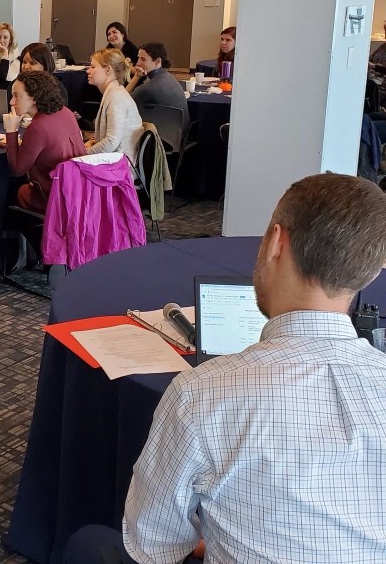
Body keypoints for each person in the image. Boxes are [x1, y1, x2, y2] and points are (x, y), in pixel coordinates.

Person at [65, 173, 386, 564]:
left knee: (89, 543)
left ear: (275, 243)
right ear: (371, 271)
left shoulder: (201, 393)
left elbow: (154, 545)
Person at [3, 72, 86, 214]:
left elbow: (17, 169)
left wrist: (11, 130)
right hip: (79, 192)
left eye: (16, 95)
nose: (11, 102)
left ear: (34, 98)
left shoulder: (37, 127)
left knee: (10, 189)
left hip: (52, 198)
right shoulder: (66, 112)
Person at [85, 49, 143, 163]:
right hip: (116, 160)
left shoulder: (116, 97)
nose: (88, 71)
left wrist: (84, 153)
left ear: (108, 70)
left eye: (93, 67)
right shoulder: (114, 92)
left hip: (119, 168)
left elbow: (111, 141)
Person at [126, 42, 188, 120]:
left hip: (166, 130)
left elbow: (122, 101)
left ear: (158, 61)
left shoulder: (149, 88)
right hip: (179, 128)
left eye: (143, 59)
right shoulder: (168, 76)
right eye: (138, 58)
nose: (138, 63)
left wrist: (136, 77)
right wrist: (137, 75)